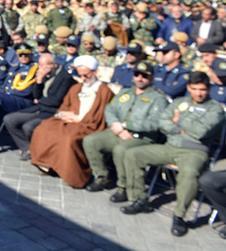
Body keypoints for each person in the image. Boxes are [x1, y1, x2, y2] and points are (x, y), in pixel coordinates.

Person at [120, 71, 225, 237]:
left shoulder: (216, 110)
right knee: (133, 154)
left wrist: (179, 121)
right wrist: (179, 128)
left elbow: (202, 131)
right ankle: (139, 199)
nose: (199, 93)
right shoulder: (179, 102)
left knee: (189, 173)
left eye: (203, 89)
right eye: (195, 88)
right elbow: (163, 122)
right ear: (189, 87)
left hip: (194, 152)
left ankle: (179, 216)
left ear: (209, 89)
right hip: (170, 146)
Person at [82, 62, 168, 201]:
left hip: (142, 138)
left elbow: (155, 123)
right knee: (91, 141)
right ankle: (101, 176)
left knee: (121, 150)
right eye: (137, 75)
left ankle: (124, 186)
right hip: (118, 132)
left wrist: (127, 125)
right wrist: (116, 125)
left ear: (151, 78)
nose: (140, 78)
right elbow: (110, 109)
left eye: (144, 76)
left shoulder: (158, 98)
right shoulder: (125, 92)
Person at [29, 55, 113, 188]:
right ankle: (47, 165)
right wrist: (64, 114)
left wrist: (79, 119)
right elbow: (63, 107)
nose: (83, 79)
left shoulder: (104, 91)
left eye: (86, 75)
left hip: (89, 124)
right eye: (81, 76)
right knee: (43, 128)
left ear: (94, 72)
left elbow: (99, 117)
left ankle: (73, 174)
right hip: (70, 121)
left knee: (69, 138)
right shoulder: (76, 88)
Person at [3, 53, 75, 161]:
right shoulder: (45, 75)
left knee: (28, 127)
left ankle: (39, 152)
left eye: (44, 66)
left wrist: (40, 100)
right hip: (39, 108)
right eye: (40, 66)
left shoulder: (65, 78)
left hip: (52, 111)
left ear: (54, 64)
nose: (41, 69)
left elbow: (56, 100)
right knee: (9, 119)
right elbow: (35, 95)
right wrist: (39, 80)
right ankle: (27, 148)